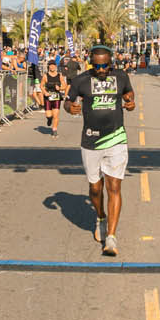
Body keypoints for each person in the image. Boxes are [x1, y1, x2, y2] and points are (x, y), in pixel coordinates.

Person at [65, 44, 136, 257]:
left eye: (105, 66)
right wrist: (70, 108)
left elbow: (128, 93)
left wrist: (130, 102)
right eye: (97, 66)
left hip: (116, 138)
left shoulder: (121, 76)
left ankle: (111, 237)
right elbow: (67, 102)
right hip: (91, 141)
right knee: (95, 189)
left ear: (111, 63)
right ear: (91, 64)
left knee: (114, 186)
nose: (102, 70)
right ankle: (101, 217)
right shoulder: (81, 80)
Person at [41, 60, 65, 135]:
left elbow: (64, 86)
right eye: (50, 65)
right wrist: (45, 92)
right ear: (49, 67)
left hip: (56, 98)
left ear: (55, 66)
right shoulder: (45, 76)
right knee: (48, 115)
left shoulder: (59, 76)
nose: (52, 67)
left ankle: (54, 130)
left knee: (56, 115)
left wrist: (60, 88)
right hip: (48, 97)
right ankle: (49, 119)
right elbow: (41, 86)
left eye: (53, 65)